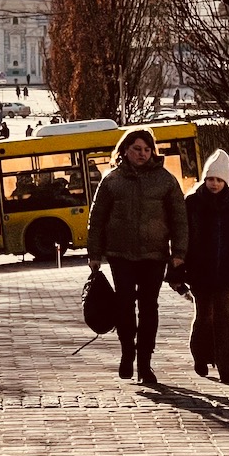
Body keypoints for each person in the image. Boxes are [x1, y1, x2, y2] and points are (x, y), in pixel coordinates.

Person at [86, 128, 187, 384]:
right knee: (124, 305)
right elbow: (96, 220)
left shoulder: (166, 180)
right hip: (121, 255)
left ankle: (145, 363)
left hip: (154, 256)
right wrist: (94, 254)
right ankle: (126, 351)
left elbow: (179, 220)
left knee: (149, 308)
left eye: (147, 149)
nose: (142, 154)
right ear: (125, 151)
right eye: (137, 149)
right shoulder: (111, 181)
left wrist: (179, 254)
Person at [181, 149, 229, 385]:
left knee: (225, 316)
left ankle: (227, 366)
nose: (214, 184)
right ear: (204, 180)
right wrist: (176, 270)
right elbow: (181, 238)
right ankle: (201, 357)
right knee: (204, 316)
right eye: (210, 179)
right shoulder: (192, 203)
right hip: (199, 272)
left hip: (225, 272)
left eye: (219, 180)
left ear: (226, 181)